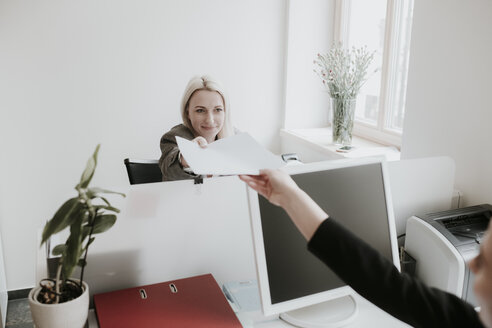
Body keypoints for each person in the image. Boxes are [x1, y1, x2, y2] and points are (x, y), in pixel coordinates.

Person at [239, 169, 490, 328]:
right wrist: (290, 196)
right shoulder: (464, 321)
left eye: (486, 260)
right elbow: (380, 280)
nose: (472, 263)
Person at [159, 75, 235, 181]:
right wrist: (186, 157)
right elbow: (169, 169)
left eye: (217, 110)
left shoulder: (235, 139)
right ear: (187, 113)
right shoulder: (174, 137)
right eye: (200, 110)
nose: (210, 120)